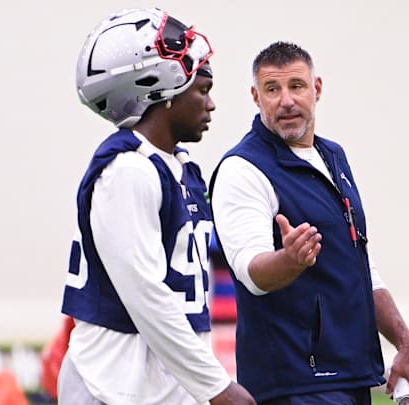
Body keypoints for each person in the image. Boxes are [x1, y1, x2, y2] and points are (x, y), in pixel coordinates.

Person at [209, 41, 409, 404]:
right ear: (255, 96)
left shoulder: (333, 156)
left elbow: (361, 266)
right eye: (272, 89)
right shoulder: (242, 169)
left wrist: (405, 343)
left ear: (317, 89)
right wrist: (288, 261)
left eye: (296, 86)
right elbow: (251, 272)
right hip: (293, 385)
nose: (286, 100)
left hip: (351, 375)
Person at [58, 8, 255, 405]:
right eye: (202, 89)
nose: (212, 104)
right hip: (114, 384)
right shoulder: (128, 171)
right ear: (161, 91)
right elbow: (146, 294)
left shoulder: (178, 167)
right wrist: (217, 386)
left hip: (159, 384)